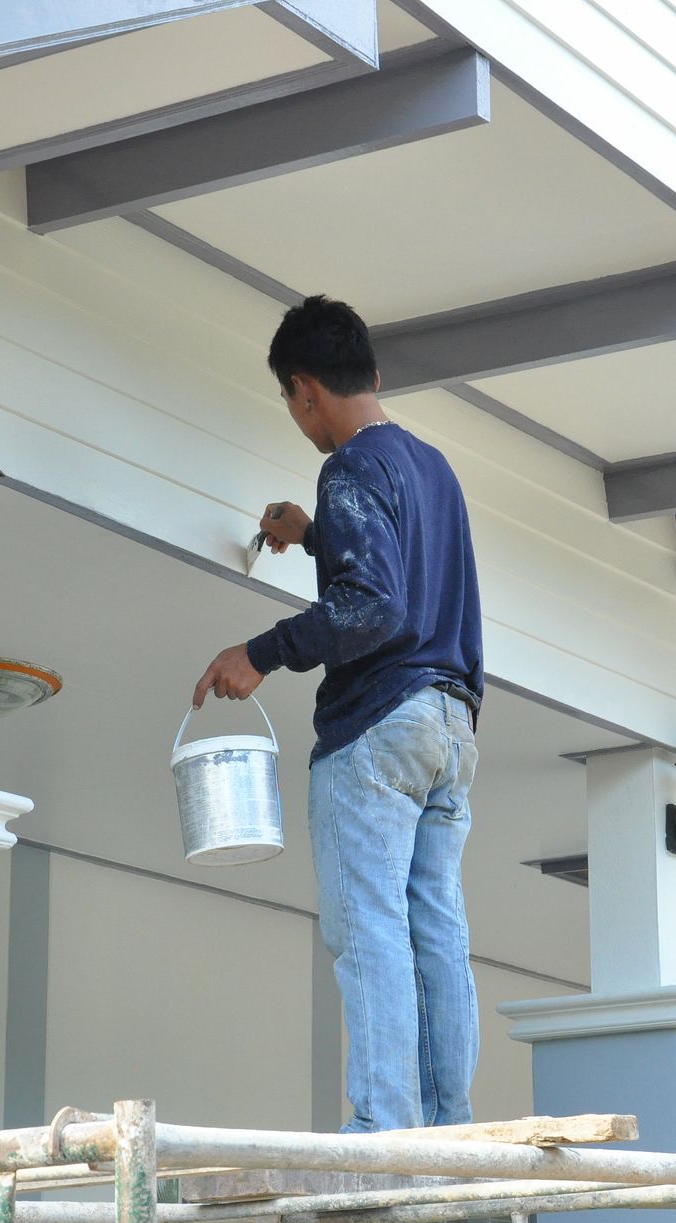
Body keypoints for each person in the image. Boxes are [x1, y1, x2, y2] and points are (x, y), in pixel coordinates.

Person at [192, 295, 484, 1133]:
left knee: (370, 927)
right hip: (450, 724)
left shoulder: (349, 466)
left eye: (292, 401)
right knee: (435, 927)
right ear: (376, 376)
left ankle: (385, 1127)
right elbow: (401, 574)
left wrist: (262, 651)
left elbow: (375, 606)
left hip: (380, 728)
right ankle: (445, 1122)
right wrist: (317, 535)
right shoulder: (431, 468)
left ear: (305, 390)